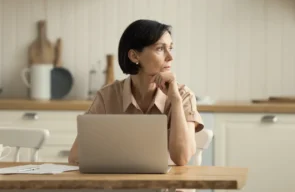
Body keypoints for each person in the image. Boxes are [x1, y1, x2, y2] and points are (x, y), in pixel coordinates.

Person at [68, 19, 204, 166]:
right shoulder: (108, 96)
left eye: (170, 48)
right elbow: (75, 156)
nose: (170, 57)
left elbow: (182, 158)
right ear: (134, 56)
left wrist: (175, 100)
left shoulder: (183, 96)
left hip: (168, 187)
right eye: (160, 49)